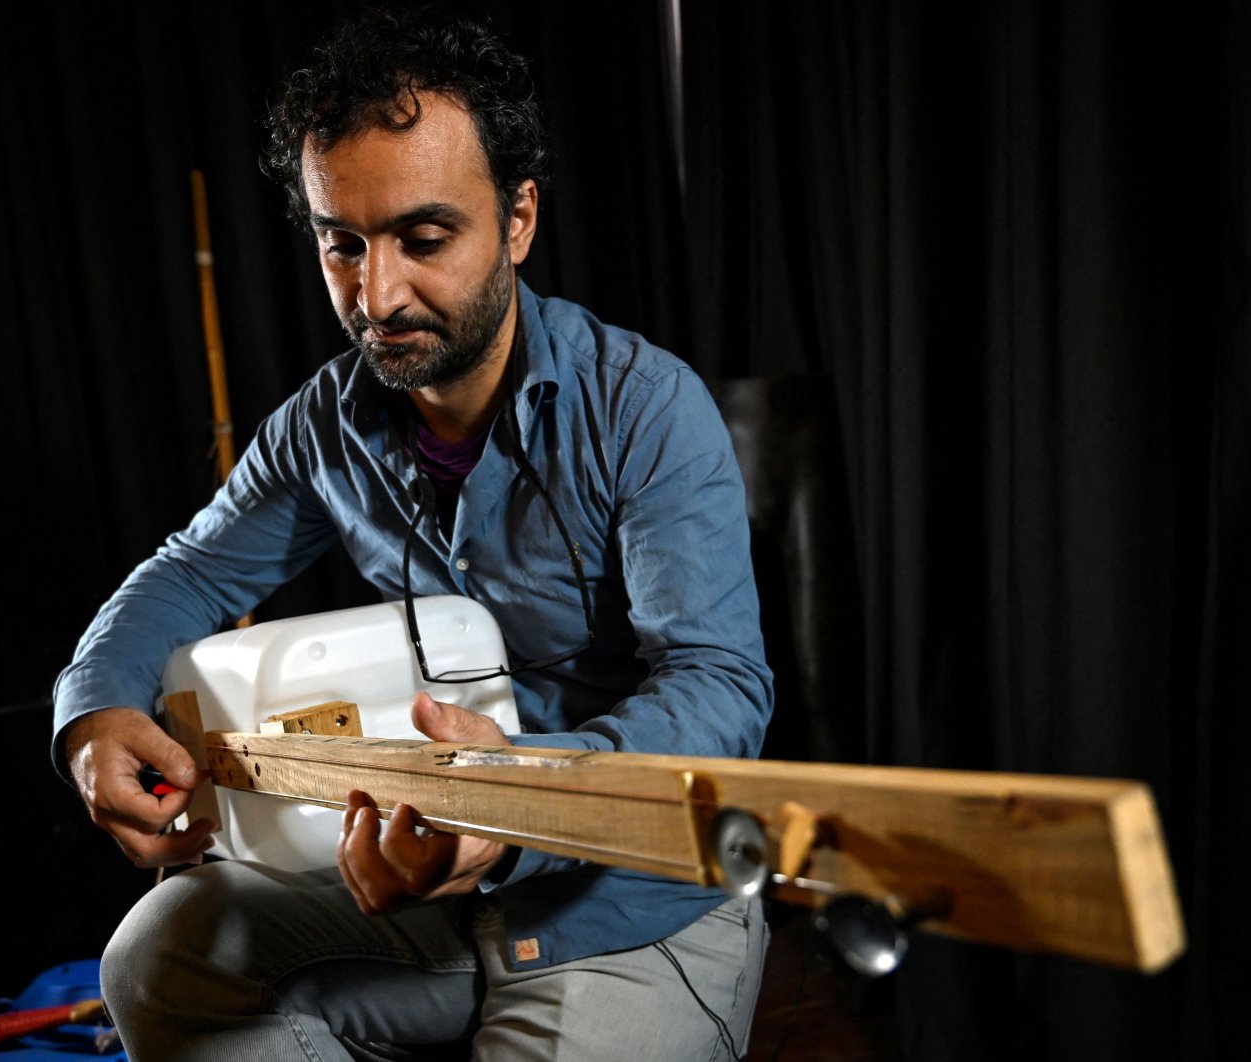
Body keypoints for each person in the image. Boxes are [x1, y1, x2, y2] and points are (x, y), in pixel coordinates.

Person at [53, 7, 775, 1060]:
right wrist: (92, 710)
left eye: (423, 240)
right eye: (340, 245)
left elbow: (720, 686)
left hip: (636, 906)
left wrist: (516, 799)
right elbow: (189, 571)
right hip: (419, 887)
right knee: (155, 955)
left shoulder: (647, 409)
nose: (376, 295)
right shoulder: (322, 424)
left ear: (518, 220)